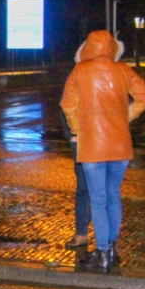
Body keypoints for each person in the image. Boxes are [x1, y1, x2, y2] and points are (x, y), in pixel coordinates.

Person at [60, 30, 145, 272]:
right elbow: (144, 97)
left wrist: (77, 129)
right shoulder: (124, 70)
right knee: (113, 196)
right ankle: (111, 248)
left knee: (98, 200)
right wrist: (126, 117)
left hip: (93, 146)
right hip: (120, 145)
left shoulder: (80, 71)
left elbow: (68, 105)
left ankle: (102, 253)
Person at [59, 106, 91, 250]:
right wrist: (72, 132)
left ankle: (107, 243)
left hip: (104, 139)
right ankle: (82, 233)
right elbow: (65, 103)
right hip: (81, 139)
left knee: (105, 191)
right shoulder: (73, 82)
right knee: (83, 187)